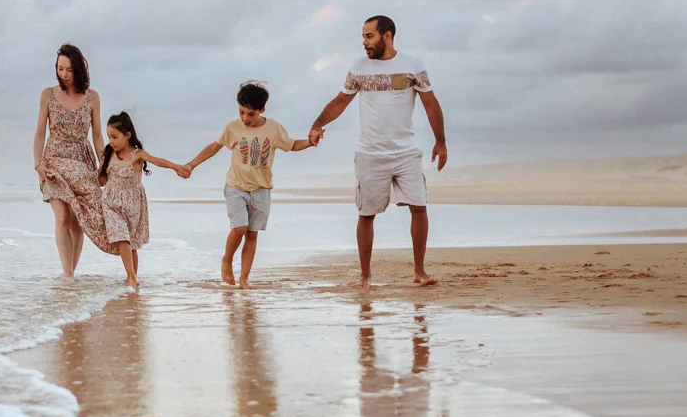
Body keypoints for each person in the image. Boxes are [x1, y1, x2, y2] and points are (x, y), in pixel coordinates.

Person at [308, 15, 446, 288]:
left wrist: (440, 142)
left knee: (419, 207)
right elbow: (341, 101)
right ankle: (365, 276)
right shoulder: (359, 67)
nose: (364, 43)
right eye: (363, 37)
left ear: (387, 36)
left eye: (369, 36)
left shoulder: (413, 65)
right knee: (366, 214)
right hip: (370, 153)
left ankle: (419, 271)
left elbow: (431, 103)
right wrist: (317, 124)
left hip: (406, 152)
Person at [183, 80, 317, 288]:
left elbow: (291, 145)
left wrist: (310, 142)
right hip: (236, 186)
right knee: (240, 228)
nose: (245, 118)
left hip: (262, 189)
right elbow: (214, 147)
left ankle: (244, 278)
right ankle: (227, 259)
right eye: (241, 112)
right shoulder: (233, 128)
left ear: (262, 109)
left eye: (251, 114)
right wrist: (192, 164)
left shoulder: (273, 128)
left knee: (252, 234)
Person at [33, 43, 113, 276]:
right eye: (60, 69)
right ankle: (67, 274)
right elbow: (40, 132)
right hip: (53, 161)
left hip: (81, 161)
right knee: (62, 215)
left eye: (68, 70)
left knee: (80, 221)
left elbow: (97, 135)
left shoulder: (92, 98)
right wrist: (38, 164)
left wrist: (104, 165)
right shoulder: (47, 94)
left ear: (79, 70)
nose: (64, 75)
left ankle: (71, 273)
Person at [98, 111, 190, 288]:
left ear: (127, 135)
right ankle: (132, 277)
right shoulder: (109, 154)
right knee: (122, 238)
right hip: (111, 203)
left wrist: (176, 167)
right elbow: (100, 178)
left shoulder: (137, 155)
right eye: (109, 136)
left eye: (115, 137)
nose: (111, 141)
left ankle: (131, 277)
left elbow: (157, 161)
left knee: (130, 243)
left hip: (133, 204)